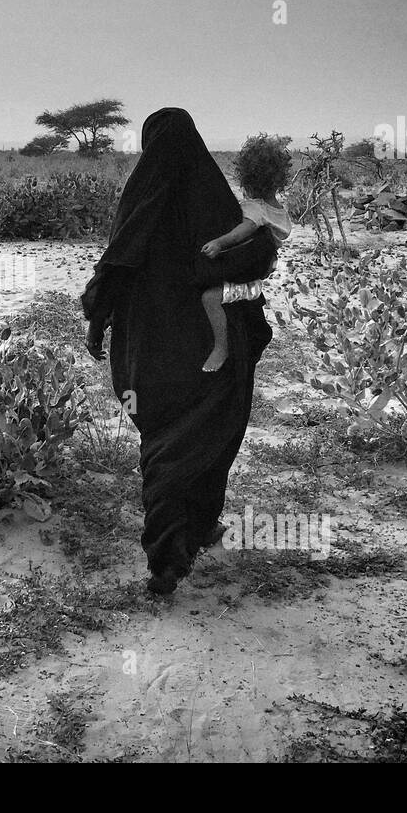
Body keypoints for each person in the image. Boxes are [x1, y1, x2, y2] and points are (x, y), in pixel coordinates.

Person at [82, 108, 274, 595]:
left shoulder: (139, 200)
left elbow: (116, 263)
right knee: (210, 436)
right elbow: (253, 259)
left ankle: (168, 557)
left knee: (164, 441)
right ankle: (201, 525)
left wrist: (98, 322)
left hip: (150, 348)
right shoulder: (215, 196)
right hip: (210, 347)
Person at [196, 136, 293, 372]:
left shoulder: (255, 208)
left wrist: (219, 243)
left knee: (209, 298)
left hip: (245, 279)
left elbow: (243, 231)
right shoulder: (280, 210)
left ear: (248, 178)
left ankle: (221, 347)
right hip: (257, 276)